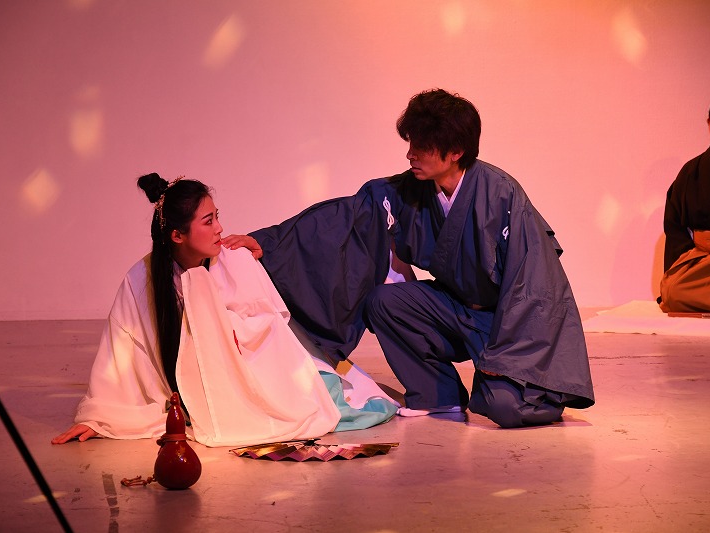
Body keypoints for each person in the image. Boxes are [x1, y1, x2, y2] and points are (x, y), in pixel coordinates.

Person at [251, 89, 594, 428]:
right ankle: (437, 395)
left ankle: (536, 392)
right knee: (385, 302)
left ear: (456, 151)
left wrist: (505, 356)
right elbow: (346, 216)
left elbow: (535, 286)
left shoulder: (501, 195)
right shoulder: (410, 188)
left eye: (422, 147)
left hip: (502, 322)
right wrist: (267, 242)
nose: (410, 155)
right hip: (452, 308)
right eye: (411, 144)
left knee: (505, 407)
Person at [52, 174, 397, 447]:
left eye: (217, 217)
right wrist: (100, 416)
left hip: (256, 375)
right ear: (177, 236)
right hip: (193, 389)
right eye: (207, 221)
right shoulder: (141, 279)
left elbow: (273, 326)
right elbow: (122, 351)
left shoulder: (236, 259)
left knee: (319, 400)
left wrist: (227, 328)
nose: (219, 228)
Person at [659, 92, 710, 314]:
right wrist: (689, 257)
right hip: (703, 260)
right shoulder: (691, 172)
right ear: (708, 123)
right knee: (674, 291)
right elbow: (674, 223)